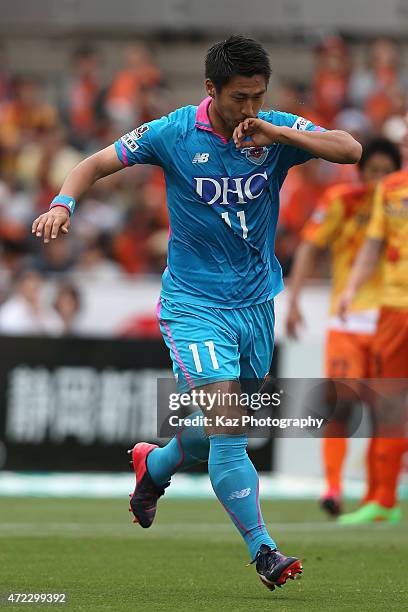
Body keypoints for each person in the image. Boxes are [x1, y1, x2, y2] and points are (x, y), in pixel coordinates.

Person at [32, 36, 361, 592]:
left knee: (222, 430)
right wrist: (63, 202)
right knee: (230, 432)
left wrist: (279, 133)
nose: (251, 109)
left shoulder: (275, 128)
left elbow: (350, 150)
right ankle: (265, 552)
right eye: (240, 99)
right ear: (211, 90)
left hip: (256, 304)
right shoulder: (174, 132)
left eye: (260, 96)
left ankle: (155, 466)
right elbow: (93, 163)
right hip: (194, 305)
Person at [285, 138, 402, 517]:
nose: (379, 179)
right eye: (374, 171)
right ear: (361, 171)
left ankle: (376, 496)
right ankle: (333, 486)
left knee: (385, 411)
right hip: (348, 320)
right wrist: (295, 298)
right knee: (342, 404)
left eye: (387, 172)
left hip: (388, 315)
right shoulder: (341, 201)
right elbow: (309, 246)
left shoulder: (397, 202)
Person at [337, 164, 408, 524]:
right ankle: (384, 498)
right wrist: (352, 288)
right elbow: (374, 243)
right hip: (394, 308)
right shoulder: (391, 187)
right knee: (389, 405)